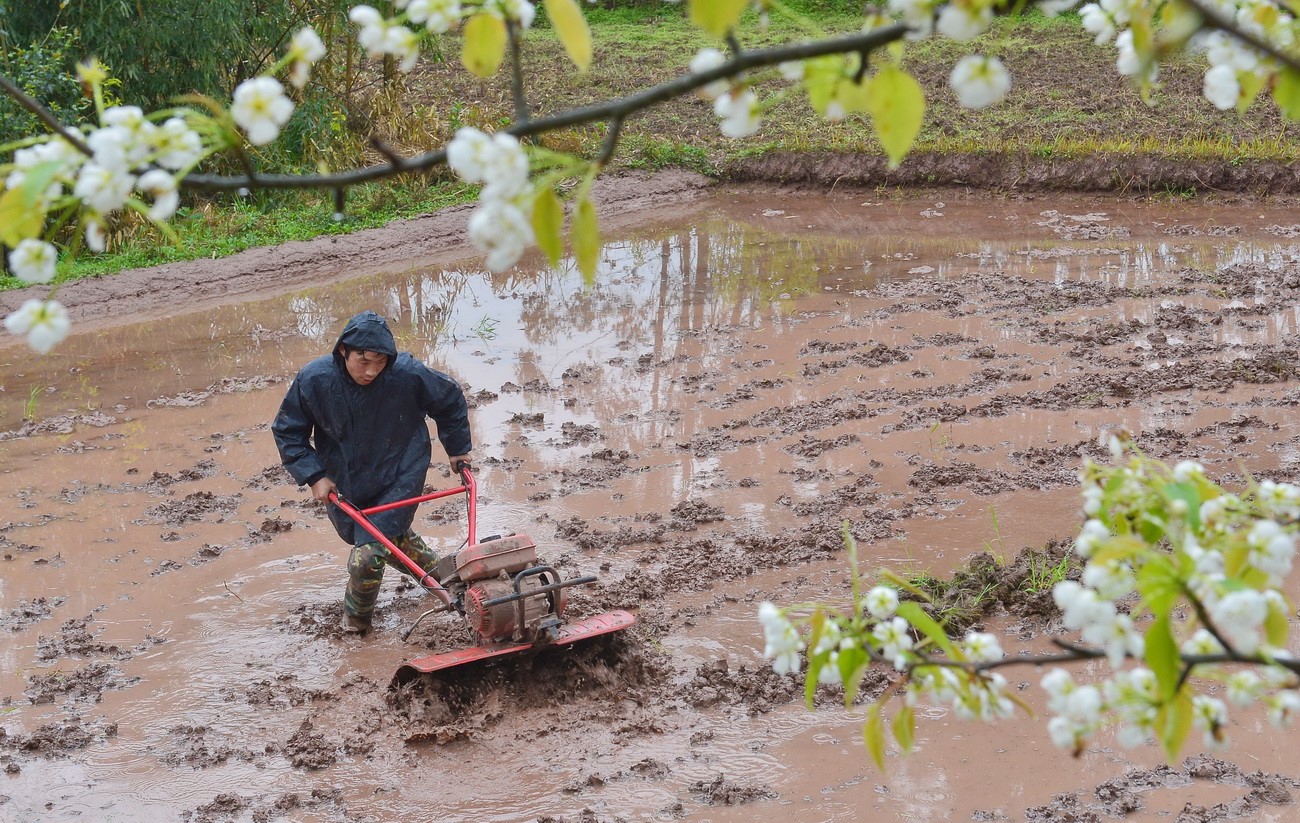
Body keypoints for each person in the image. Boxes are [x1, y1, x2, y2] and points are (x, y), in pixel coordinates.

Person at [272, 310, 473, 636]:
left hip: (401, 471)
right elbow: (287, 431)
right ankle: (449, 577)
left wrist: (459, 449)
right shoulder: (314, 379)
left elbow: (448, 399)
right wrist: (314, 475)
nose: (371, 371)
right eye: (363, 361)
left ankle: (355, 627)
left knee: (366, 556)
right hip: (346, 478)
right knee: (384, 538)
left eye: (380, 362)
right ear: (343, 351)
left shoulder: (407, 373)